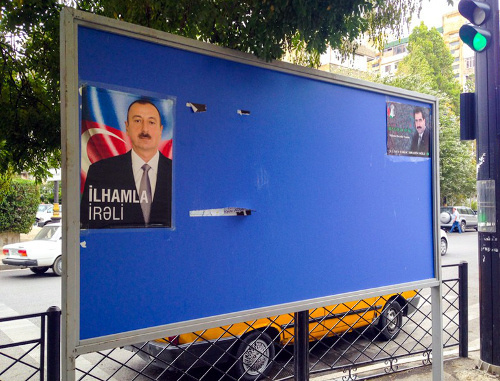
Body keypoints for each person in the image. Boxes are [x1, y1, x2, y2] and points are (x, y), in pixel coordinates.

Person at [80, 99, 172, 229]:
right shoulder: (100, 171)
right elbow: (86, 224)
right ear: (127, 127)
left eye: (151, 122)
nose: (144, 129)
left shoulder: (177, 173)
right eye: (137, 121)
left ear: (160, 129)